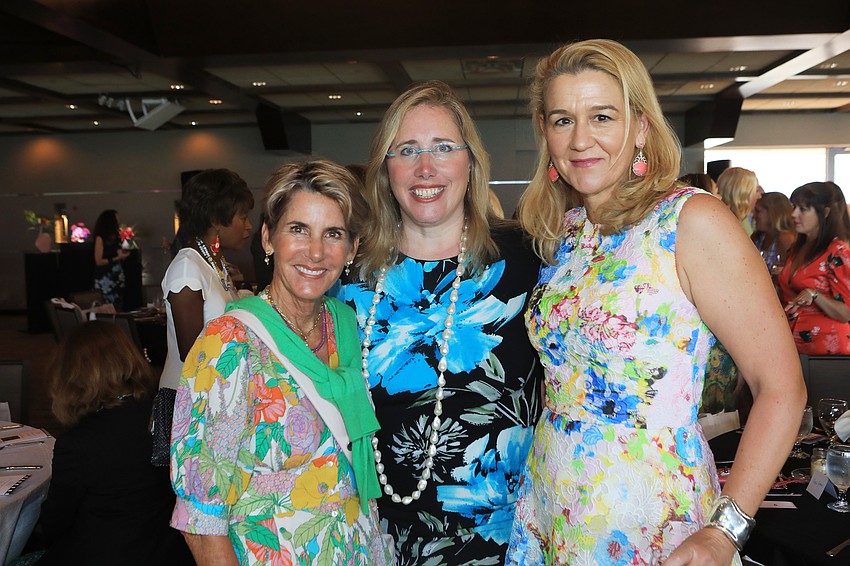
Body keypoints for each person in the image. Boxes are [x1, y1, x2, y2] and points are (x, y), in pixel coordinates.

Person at [508, 39, 805, 565]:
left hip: (651, 513)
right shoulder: (566, 232)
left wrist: (725, 532)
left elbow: (781, 388)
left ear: (641, 127)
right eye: (562, 120)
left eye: (602, 116)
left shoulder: (691, 221)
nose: (580, 139)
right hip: (555, 502)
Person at [335, 80, 543, 563]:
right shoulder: (350, 276)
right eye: (407, 150)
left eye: (443, 147)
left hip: (506, 541)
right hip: (378, 538)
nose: (425, 167)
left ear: (471, 163)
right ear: (386, 170)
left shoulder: (528, 261)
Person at [169, 160, 393, 565]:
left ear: (352, 247)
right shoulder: (230, 343)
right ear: (268, 237)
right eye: (298, 229)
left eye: (333, 234)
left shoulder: (346, 325)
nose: (316, 252)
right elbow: (200, 522)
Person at [35, 321, 192, 565]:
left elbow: (54, 524)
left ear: (71, 376)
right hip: (171, 554)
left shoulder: (78, 442)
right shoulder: (167, 416)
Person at [151, 169, 254, 466]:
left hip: (213, 394)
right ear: (216, 219)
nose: (248, 226)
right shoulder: (187, 267)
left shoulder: (214, 264)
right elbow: (192, 352)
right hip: (189, 399)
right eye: (242, 216)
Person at [779, 181, 850, 355]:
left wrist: (814, 294)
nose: (794, 214)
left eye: (803, 209)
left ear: (825, 213)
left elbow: (846, 313)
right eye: (794, 207)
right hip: (793, 345)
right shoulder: (796, 248)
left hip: (827, 350)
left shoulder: (837, 251)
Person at [92, 209, 130, 308]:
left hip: (117, 277)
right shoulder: (100, 238)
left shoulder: (117, 238)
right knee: (106, 306)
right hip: (106, 278)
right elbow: (98, 261)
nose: (119, 221)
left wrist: (122, 255)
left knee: (118, 304)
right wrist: (117, 257)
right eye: (116, 219)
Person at [752, 191, 795, 275]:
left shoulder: (785, 239)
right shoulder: (758, 237)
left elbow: (788, 273)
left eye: (758, 211)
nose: (753, 216)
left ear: (772, 213)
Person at [717, 167, 760, 236]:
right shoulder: (723, 222)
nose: (759, 196)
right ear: (743, 193)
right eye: (756, 190)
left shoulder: (749, 218)